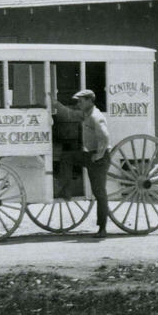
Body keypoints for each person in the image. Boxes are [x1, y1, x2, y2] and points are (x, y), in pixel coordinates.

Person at [62, 88, 111, 237]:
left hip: (99, 159)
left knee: (99, 193)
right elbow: (69, 113)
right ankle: (67, 190)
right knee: (67, 157)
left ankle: (102, 229)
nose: (78, 104)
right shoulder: (86, 114)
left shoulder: (96, 116)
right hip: (90, 155)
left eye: (81, 101)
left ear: (90, 101)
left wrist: (99, 155)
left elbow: (105, 138)